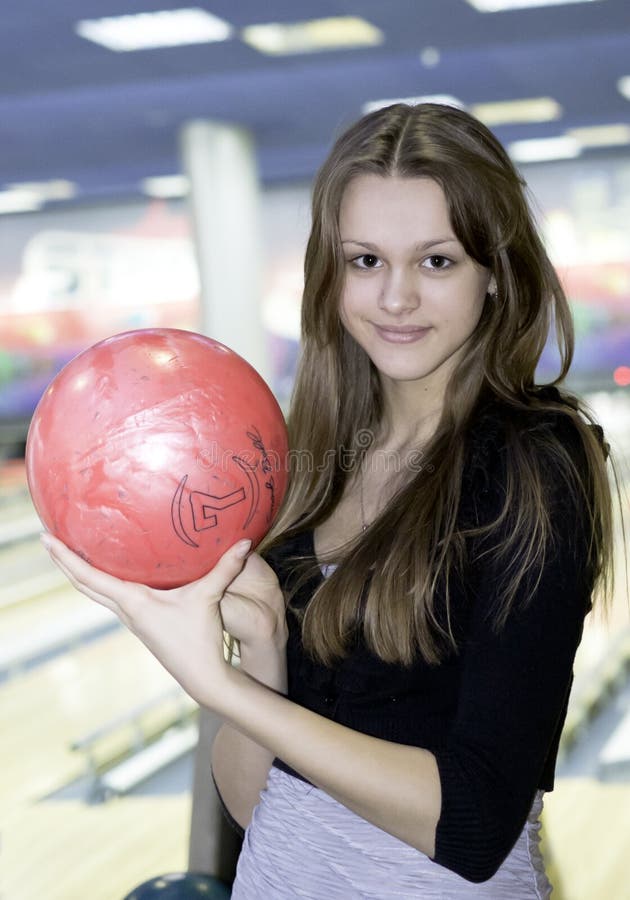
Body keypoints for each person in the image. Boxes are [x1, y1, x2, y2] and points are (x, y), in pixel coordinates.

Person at [42, 103, 619, 898]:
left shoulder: (536, 461)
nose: (396, 299)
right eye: (366, 261)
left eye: (438, 262)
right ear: (330, 273)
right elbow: (255, 805)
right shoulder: (310, 466)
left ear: (496, 271)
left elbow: (479, 824)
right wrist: (266, 651)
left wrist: (220, 686)